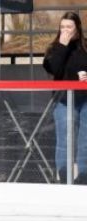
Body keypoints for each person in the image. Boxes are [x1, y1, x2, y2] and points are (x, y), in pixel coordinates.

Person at [42, 12, 87, 184]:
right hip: (63, 100)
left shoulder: (85, 47)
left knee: (85, 139)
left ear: (77, 28)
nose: (65, 30)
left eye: (69, 27)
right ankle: (64, 177)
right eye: (62, 27)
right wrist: (62, 45)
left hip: (85, 99)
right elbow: (52, 68)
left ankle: (83, 177)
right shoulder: (54, 48)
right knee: (65, 138)